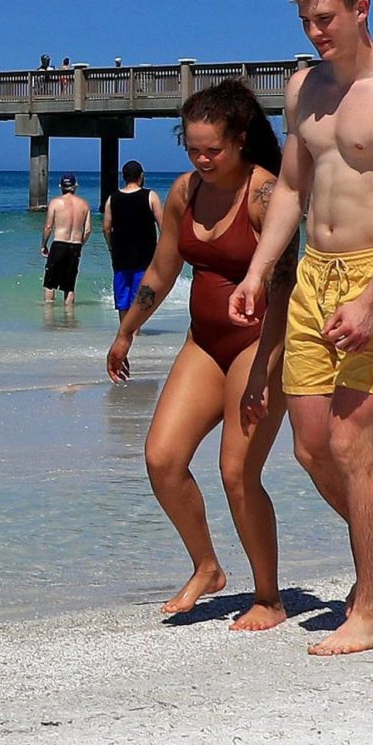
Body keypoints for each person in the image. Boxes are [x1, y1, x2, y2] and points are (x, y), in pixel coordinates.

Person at [228, 0, 373, 656]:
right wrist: (258, 273)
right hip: (315, 273)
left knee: (353, 444)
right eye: (305, 20)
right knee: (311, 445)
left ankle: (370, 612)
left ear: (360, 8)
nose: (315, 30)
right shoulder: (304, 89)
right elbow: (291, 187)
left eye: (324, 17)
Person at [106, 82, 296, 628]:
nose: (202, 159)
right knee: (162, 459)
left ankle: (268, 597)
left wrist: (265, 369)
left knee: (237, 473)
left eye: (212, 149)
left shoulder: (266, 197)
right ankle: (208, 567)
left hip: (260, 344)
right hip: (203, 342)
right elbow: (163, 270)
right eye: (192, 148)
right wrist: (127, 330)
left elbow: (284, 291)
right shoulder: (185, 192)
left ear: (240, 139)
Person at [101, 160, 161, 315]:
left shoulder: (112, 199)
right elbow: (164, 226)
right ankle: (136, 331)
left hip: (120, 254)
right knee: (141, 296)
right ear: (141, 176)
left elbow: (106, 228)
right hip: (145, 255)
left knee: (122, 298)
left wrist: (111, 246)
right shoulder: (150, 196)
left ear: (124, 177)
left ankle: (124, 330)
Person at [40, 174, 89, 313]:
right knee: (69, 286)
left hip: (59, 244)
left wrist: (44, 244)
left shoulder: (55, 203)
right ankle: (69, 317)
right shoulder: (84, 204)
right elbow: (88, 230)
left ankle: (49, 315)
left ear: (61, 186)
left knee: (50, 284)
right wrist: (80, 244)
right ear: (75, 186)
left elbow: (48, 226)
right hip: (75, 245)